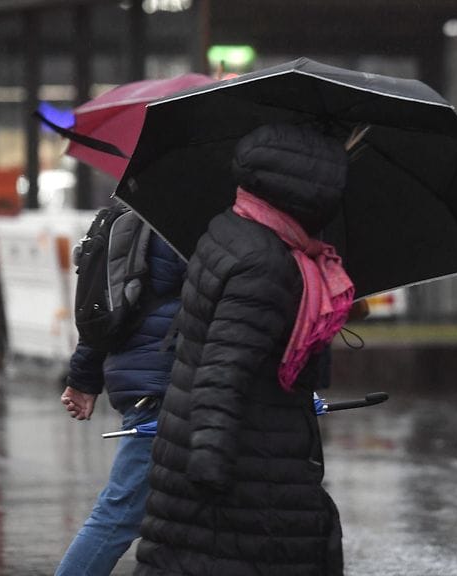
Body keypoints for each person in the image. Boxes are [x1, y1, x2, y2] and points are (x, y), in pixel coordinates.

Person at [134, 123, 353, 576]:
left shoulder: (232, 227)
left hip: (221, 448)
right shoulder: (267, 263)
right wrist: (210, 461)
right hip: (244, 463)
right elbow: (223, 366)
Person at [56, 223, 187, 575]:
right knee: (119, 513)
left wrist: (83, 378)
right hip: (167, 384)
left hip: (145, 380)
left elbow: (106, 306)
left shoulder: (136, 217)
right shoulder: (186, 226)